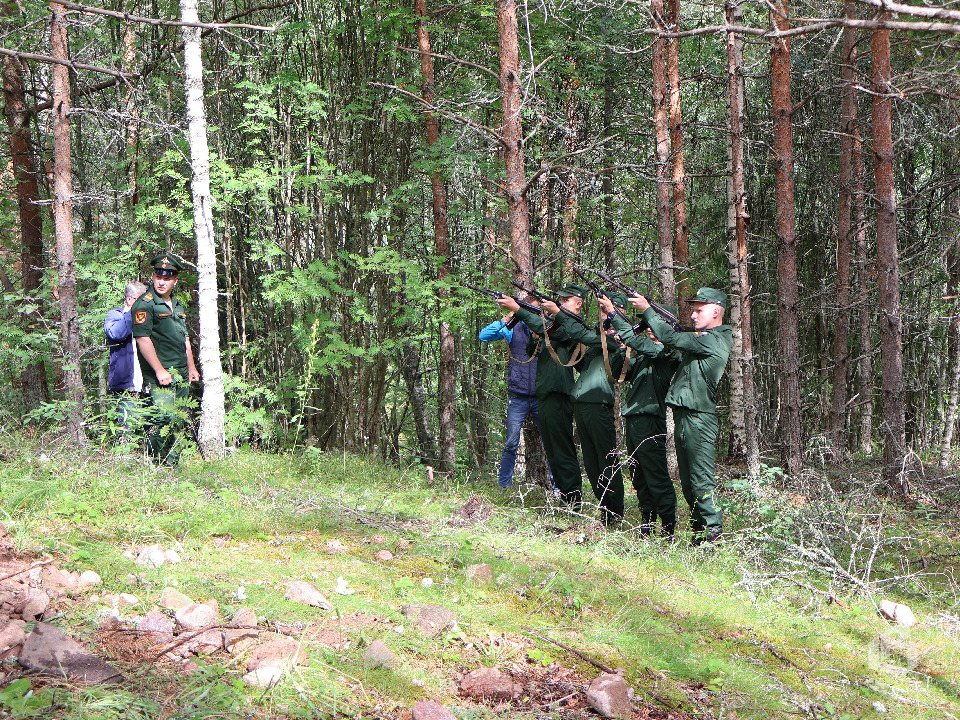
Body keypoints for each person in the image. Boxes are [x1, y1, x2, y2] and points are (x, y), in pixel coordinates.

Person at [629, 288, 732, 545]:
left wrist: (646, 309)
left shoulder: (714, 339)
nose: (694, 315)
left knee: (700, 480)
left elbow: (667, 336)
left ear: (716, 311)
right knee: (689, 483)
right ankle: (699, 536)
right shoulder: (702, 338)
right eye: (693, 310)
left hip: (699, 418)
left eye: (699, 310)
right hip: (687, 416)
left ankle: (712, 536)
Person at [543, 291, 628, 526]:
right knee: (591, 463)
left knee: (607, 460)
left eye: (606, 310)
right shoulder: (597, 336)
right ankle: (604, 511)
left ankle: (615, 513)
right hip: (582, 403)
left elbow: (592, 340)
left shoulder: (618, 335)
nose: (602, 315)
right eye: (600, 310)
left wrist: (560, 314)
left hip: (599, 404)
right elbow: (582, 364)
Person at [497, 285, 585, 507]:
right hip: (544, 393)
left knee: (562, 449)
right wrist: (536, 329)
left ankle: (573, 500)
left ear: (578, 304)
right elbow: (531, 349)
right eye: (560, 300)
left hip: (559, 393)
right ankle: (565, 498)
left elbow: (561, 334)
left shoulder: (573, 324)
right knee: (554, 450)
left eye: (566, 300)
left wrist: (519, 310)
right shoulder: (556, 323)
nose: (561, 304)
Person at [600, 294, 680, 537]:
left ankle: (667, 529)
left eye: (652, 324)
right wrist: (617, 347)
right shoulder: (645, 354)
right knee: (639, 476)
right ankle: (647, 524)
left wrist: (617, 319)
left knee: (656, 477)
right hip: (634, 419)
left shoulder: (670, 352)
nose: (648, 330)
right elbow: (619, 372)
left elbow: (646, 345)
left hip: (650, 420)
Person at [131, 253, 200, 466]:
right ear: (152, 276)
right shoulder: (145, 304)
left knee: (177, 419)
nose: (162, 281)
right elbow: (142, 339)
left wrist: (191, 366)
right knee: (161, 418)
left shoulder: (177, 304)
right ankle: (158, 465)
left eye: (167, 278)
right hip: (159, 374)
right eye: (159, 276)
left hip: (180, 372)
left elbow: (184, 338)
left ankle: (173, 465)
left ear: (175, 280)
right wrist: (160, 370)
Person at [478, 303, 544, 488]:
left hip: (542, 396)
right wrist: (507, 318)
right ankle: (504, 486)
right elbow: (484, 336)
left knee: (551, 443)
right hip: (517, 396)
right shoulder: (512, 328)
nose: (531, 314)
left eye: (535, 311)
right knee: (510, 443)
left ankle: (557, 488)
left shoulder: (547, 330)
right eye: (527, 310)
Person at [104, 281, 147, 437]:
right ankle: (123, 459)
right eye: (141, 300)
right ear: (130, 300)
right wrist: (134, 313)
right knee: (126, 429)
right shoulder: (115, 315)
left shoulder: (147, 317)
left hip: (148, 382)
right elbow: (116, 333)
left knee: (152, 427)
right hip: (126, 383)